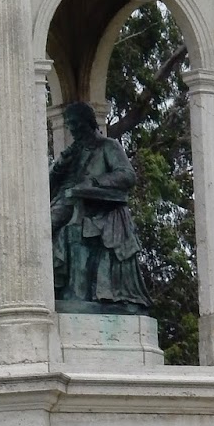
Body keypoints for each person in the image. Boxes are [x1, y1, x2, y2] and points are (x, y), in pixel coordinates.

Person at [49, 101, 151, 312]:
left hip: (94, 206)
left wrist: (95, 182)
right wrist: (59, 167)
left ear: (89, 123)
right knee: (35, 230)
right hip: (64, 201)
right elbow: (49, 185)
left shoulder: (108, 147)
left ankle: (64, 292)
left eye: (77, 123)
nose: (74, 129)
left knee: (52, 229)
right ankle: (46, 292)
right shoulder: (72, 152)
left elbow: (127, 175)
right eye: (70, 124)